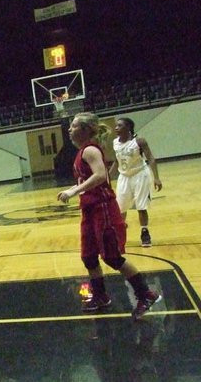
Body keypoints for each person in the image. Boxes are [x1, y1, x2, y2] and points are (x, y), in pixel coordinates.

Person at [57, 112, 161, 319]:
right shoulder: (81, 152)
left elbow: (100, 175)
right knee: (88, 257)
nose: (69, 129)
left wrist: (73, 191)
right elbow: (91, 178)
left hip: (102, 207)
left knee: (112, 256)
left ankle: (146, 294)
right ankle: (101, 296)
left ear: (85, 130)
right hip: (89, 209)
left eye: (74, 126)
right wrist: (76, 191)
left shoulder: (90, 150)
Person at [109, 117, 162, 247]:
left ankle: (144, 232)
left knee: (141, 206)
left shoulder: (139, 141)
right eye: (116, 126)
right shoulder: (115, 142)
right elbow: (116, 161)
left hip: (140, 174)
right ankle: (119, 232)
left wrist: (156, 177)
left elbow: (151, 158)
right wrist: (107, 178)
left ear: (128, 127)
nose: (116, 128)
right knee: (120, 208)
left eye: (119, 125)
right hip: (124, 176)